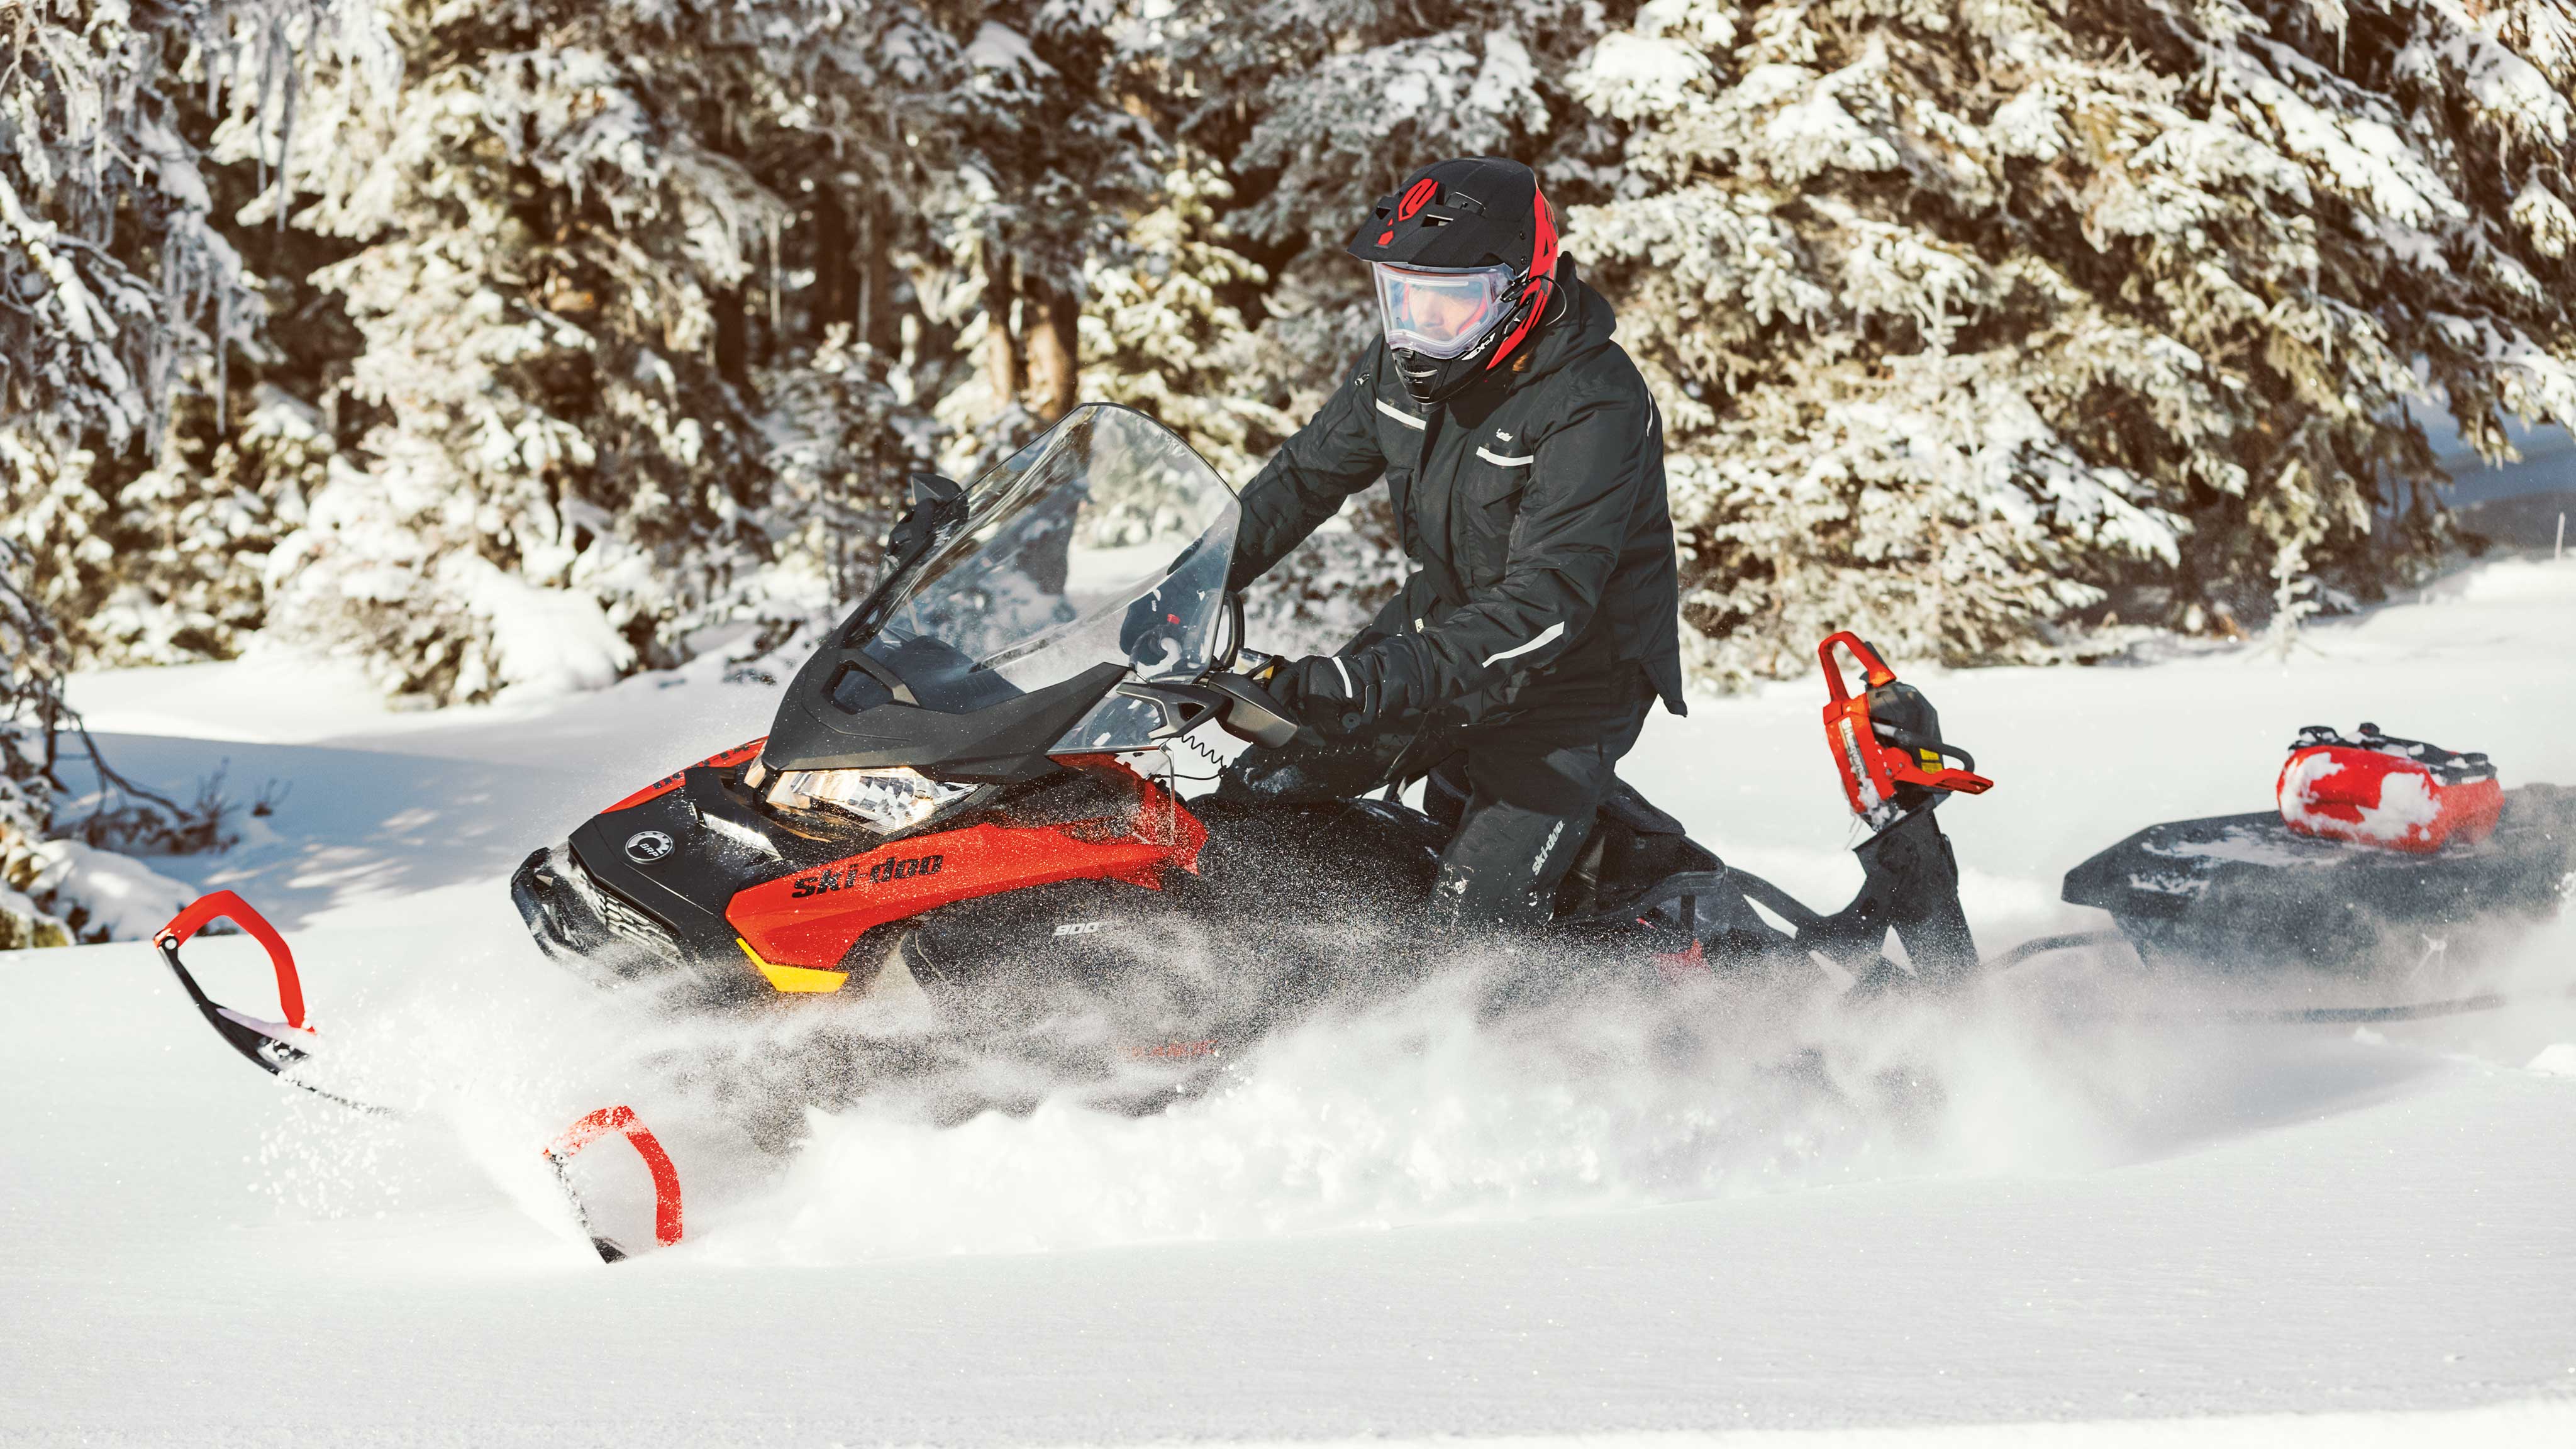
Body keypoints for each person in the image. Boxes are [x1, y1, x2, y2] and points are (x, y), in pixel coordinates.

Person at [1219, 155, 1685, 930]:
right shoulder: (1399, 369)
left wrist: (1364, 680)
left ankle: (1520, 1013)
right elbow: (1301, 480)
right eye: (1402, 299)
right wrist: (1195, 575)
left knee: (1471, 931)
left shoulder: (1594, 400)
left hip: (1573, 679)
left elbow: (1547, 603)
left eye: (1450, 304)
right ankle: (1279, 986)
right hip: (1443, 624)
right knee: (1260, 800)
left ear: (1521, 287)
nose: (1419, 329)